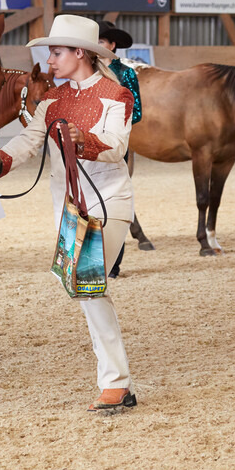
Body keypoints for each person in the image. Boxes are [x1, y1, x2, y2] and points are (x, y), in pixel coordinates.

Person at [0, 14, 137, 412]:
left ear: (80, 53)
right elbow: (27, 142)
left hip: (108, 202)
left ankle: (116, 384)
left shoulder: (117, 95)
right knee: (82, 286)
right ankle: (117, 381)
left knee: (86, 285)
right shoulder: (53, 100)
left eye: (56, 52)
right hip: (69, 208)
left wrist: (83, 138)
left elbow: (116, 147)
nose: (50, 60)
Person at [97, 20, 142, 278]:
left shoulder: (126, 74)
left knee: (112, 202)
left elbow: (136, 112)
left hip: (114, 143)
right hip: (86, 142)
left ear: (112, 45)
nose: (98, 47)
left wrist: (110, 122)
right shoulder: (86, 74)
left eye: (102, 42)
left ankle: (113, 263)